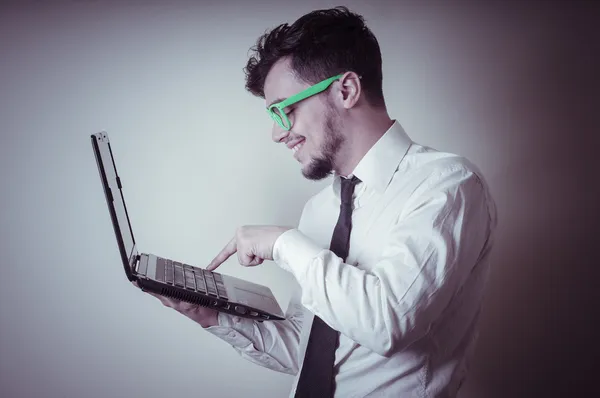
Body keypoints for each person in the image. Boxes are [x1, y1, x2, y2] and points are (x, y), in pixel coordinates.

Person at [140, 6, 498, 398]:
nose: (278, 134)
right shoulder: (320, 210)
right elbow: (309, 349)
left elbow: (387, 323)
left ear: (345, 90)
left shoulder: (446, 186)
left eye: (285, 110)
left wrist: (283, 244)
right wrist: (209, 314)